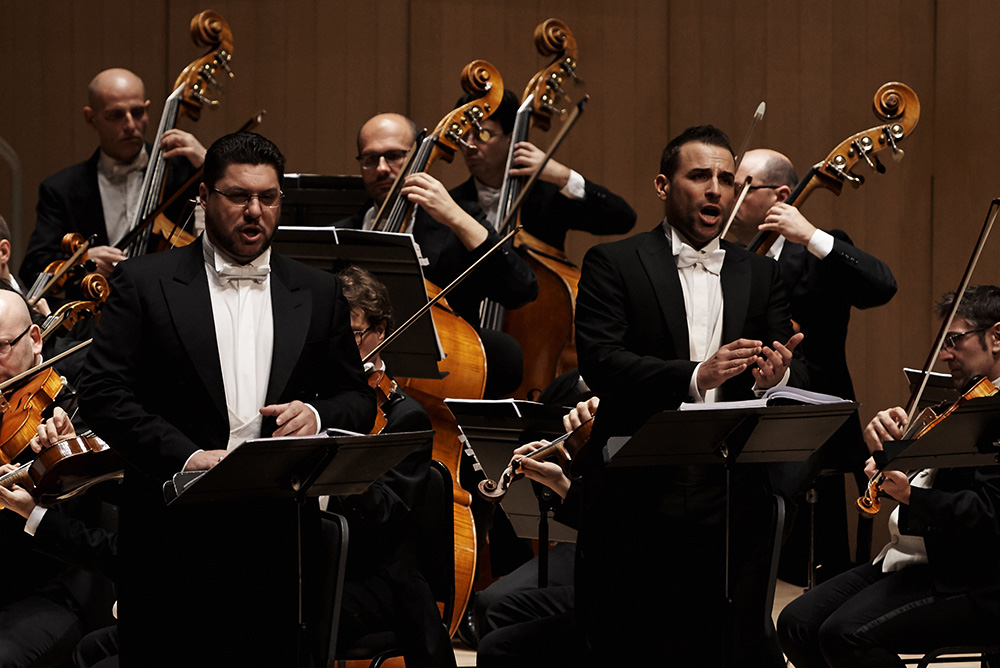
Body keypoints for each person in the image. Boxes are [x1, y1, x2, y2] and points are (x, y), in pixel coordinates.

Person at [77, 131, 375, 667]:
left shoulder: (318, 290)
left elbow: (357, 396)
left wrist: (315, 414)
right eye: (238, 196)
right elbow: (101, 392)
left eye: (268, 197)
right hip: (171, 533)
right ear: (205, 197)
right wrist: (186, 455)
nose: (255, 211)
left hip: (278, 540)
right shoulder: (144, 282)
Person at [573, 125, 806, 665]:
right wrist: (695, 375)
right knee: (632, 640)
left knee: (722, 641)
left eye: (726, 179)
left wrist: (772, 377)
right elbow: (601, 362)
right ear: (663, 185)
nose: (716, 189)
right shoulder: (614, 262)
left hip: (729, 489)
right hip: (638, 483)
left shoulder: (761, 273)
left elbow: (777, 360)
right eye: (700, 176)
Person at [777, 285, 1000, 667]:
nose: (945, 354)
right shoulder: (965, 400)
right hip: (913, 558)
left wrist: (911, 496)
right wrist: (886, 451)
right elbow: (932, 476)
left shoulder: (990, 410)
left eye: (954, 340)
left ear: (996, 337)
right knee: (796, 624)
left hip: (972, 576)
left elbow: (991, 513)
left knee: (845, 635)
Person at [733, 148, 899, 582]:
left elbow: (882, 286)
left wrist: (811, 235)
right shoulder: (734, 257)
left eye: (742, 187)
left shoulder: (816, 249)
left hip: (816, 411)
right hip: (745, 409)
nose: (728, 196)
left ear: (781, 196)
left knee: (772, 490)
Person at [339, 113, 537, 398]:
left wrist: (456, 216)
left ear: (417, 156)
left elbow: (521, 289)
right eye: (370, 159)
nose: (381, 168)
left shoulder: (454, 224)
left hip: (437, 386)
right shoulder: (343, 235)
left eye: (394, 156)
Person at [332, 265, 455, 668]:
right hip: (320, 558)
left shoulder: (404, 418)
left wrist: (341, 463)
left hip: (374, 577)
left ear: (380, 332)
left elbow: (382, 519)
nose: (340, 346)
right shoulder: (314, 399)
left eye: (352, 334)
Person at [0, 286, 115, 667]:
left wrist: (55, 462)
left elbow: (78, 521)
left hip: (52, 587)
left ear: (35, 339)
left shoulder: (79, 410)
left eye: (1, 347)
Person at [20, 68, 207, 286]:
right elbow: (33, 269)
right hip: (99, 305)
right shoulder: (61, 190)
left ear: (147, 110)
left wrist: (209, 163)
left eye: (137, 112)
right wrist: (82, 261)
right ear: (91, 118)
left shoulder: (187, 171)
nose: (130, 125)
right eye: (116, 115)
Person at [453, 90, 636, 249]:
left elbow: (623, 219)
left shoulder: (545, 196)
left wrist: (564, 177)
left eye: (482, 135)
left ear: (511, 137)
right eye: (463, 136)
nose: (469, 145)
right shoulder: (452, 205)